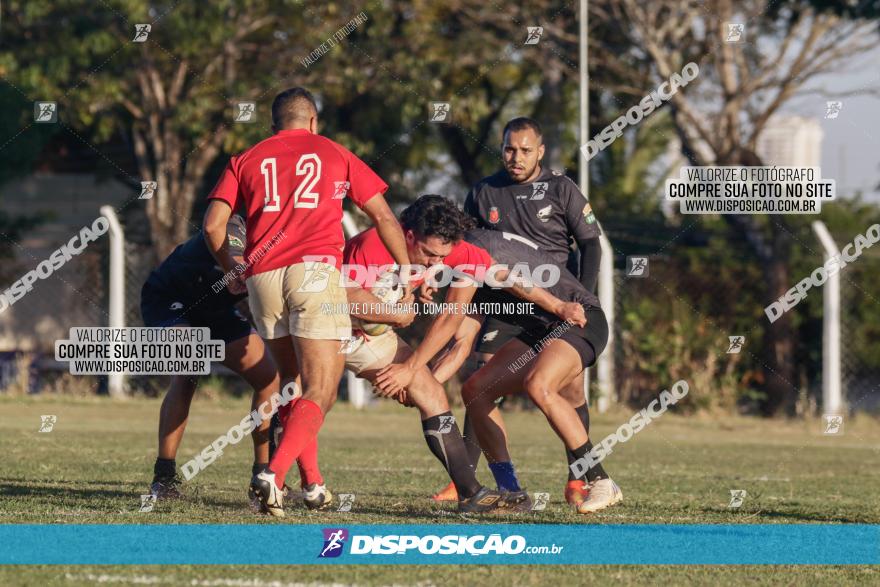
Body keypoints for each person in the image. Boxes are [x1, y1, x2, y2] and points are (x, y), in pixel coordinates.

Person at [202, 87, 410, 516]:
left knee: (292, 386)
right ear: (314, 122)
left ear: (273, 124)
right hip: (314, 271)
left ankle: (312, 484)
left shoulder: (247, 157)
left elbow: (212, 227)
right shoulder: (335, 152)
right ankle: (272, 477)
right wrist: (407, 271)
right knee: (321, 389)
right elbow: (385, 217)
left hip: (262, 276)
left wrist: (233, 269)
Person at [341, 196, 583, 512]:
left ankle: (470, 494)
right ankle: (283, 479)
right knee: (307, 393)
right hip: (328, 325)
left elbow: (504, 276)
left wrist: (556, 306)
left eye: (442, 257)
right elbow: (343, 298)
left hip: (370, 335)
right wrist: (396, 316)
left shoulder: (448, 253)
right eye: (428, 254)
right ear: (408, 235)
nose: (435, 264)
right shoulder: (375, 244)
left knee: (430, 393)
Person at [430, 116, 603, 507]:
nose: (516, 157)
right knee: (480, 379)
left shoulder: (561, 188)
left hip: (555, 300)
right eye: (510, 148)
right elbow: (471, 254)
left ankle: (579, 479)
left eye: (526, 150)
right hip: (505, 302)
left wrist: (583, 300)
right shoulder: (484, 191)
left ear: (540, 151)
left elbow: (592, 246)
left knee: (569, 387)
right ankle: (469, 480)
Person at [141, 216, 329, 509]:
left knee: (270, 378)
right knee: (189, 368)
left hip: (214, 311)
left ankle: (263, 477)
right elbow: (237, 261)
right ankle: (163, 478)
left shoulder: (279, 243)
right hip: (169, 302)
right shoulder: (236, 226)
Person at [431, 227, 623, 514]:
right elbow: (461, 343)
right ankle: (512, 492)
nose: (423, 263)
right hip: (543, 329)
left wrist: (412, 372)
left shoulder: (474, 251)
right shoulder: (466, 267)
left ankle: (601, 480)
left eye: (427, 254)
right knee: (476, 390)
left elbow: (510, 281)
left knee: (539, 385)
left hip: (579, 317)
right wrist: (422, 385)